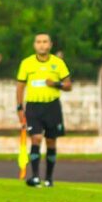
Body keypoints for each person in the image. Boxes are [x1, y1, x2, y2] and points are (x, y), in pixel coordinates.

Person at [15, 33, 72, 187]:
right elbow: (20, 87)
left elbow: (68, 85)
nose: (42, 45)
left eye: (45, 42)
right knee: (36, 138)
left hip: (52, 106)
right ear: (34, 45)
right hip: (33, 107)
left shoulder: (58, 63)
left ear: (50, 44)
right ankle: (34, 177)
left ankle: (49, 178)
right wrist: (19, 108)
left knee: (51, 141)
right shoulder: (26, 64)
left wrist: (55, 84)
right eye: (39, 42)